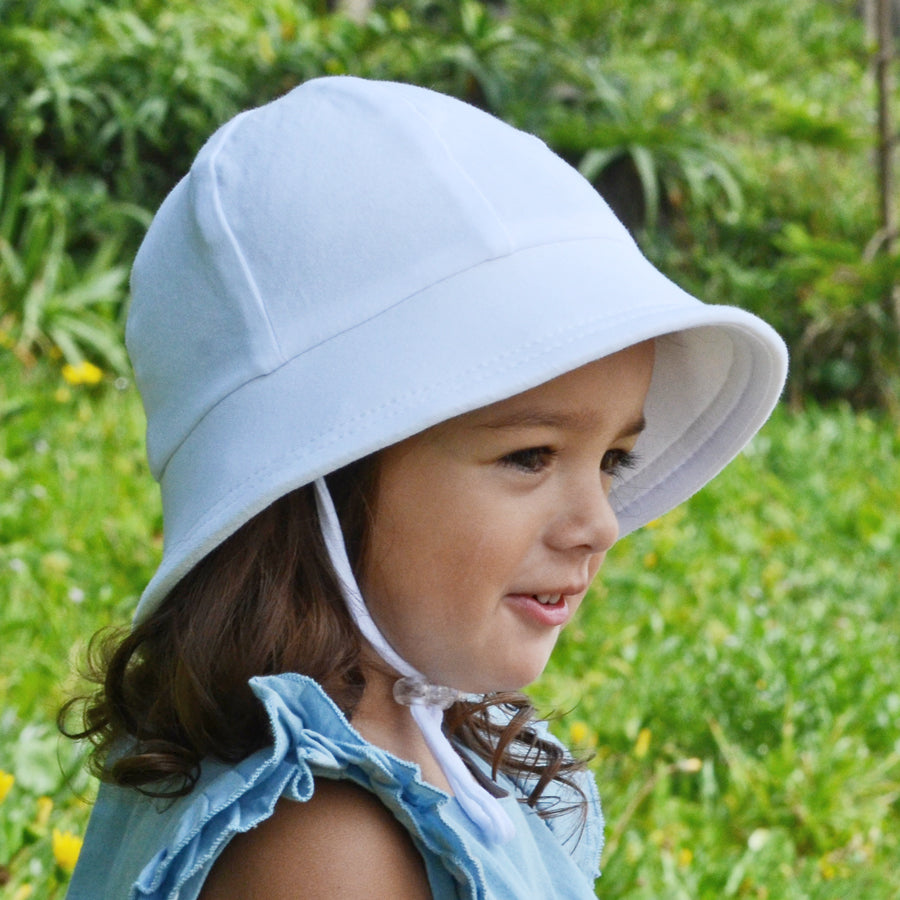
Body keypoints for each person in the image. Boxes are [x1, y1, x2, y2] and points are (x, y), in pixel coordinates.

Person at [61, 76, 787, 899]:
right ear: (315, 484)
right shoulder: (325, 849)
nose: (599, 525)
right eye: (531, 456)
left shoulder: (430, 745)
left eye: (612, 460)